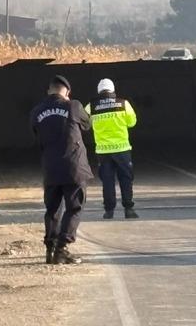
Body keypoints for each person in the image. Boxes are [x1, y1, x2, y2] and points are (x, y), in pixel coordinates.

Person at [30, 75, 92, 265]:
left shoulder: (37, 111)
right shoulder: (73, 106)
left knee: (52, 209)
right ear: (66, 91)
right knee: (74, 207)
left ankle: (50, 247)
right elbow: (87, 125)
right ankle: (62, 247)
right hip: (74, 167)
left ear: (49, 90)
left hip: (50, 167)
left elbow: (36, 134)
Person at [85, 78, 139, 220]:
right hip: (122, 149)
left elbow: (84, 123)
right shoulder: (123, 104)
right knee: (126, 179)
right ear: (113, 90)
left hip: (103, 151)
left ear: (99, 90)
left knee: (108, 182)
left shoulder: (91, 107)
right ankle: (129, 209)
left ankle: (109, 211)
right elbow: (132, 122)